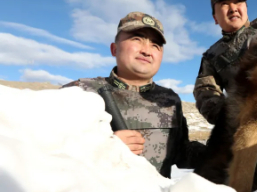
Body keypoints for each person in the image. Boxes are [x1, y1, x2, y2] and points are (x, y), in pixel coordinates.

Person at [62, 12, 203, 177]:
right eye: (137, 39)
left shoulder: (170, 100)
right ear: (114, 49)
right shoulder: (79, 91)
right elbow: (41, 151)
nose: (147, 51)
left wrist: (229, 150)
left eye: (155, 45)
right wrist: (102, 148)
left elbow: (181, 152)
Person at [193, 0, 257, 124]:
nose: (233, 9)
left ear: (246, 8)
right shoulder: (211, 57)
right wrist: (232, 115)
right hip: (249, 126)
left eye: (238, 2)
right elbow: (206, 92)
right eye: (224, 4)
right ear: (215, 17)